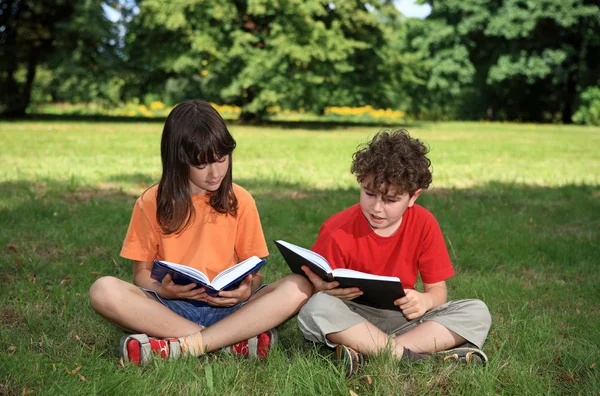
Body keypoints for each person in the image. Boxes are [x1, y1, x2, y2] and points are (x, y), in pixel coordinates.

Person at [89, 100, 312, 365]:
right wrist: (166, 291)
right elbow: (141, 276)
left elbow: (255, 273)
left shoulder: (240, 200)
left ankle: (175, 345)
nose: (215, 172)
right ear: (178, 160)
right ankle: (229, 342)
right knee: (103, 290)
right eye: (202, 164)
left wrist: (245, 291)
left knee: (299, 285)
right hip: (171, 309)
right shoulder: (151, 202)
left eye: (222, 159)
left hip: (231, 309)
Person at [297, 129, 492, 377]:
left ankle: (375, 353)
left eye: (390, 200)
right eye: (369, 194)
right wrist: (322, 290)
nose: (377, 208)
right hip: (353, 318)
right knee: (315, 308)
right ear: (361, 184)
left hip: (404, 320)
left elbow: (438, 291)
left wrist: (426, 301)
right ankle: (412, 357)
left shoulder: (424, 224)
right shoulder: (337, 230)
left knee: (477, 311)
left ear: (413, 197)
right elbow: (318, 293)